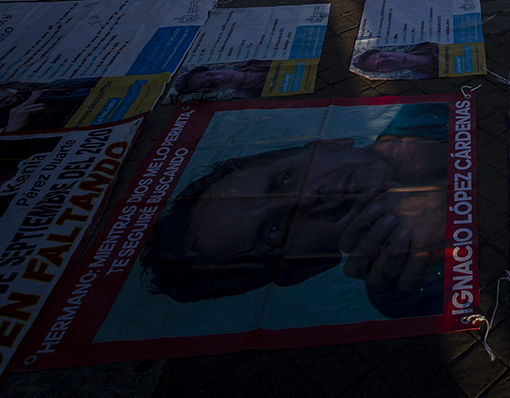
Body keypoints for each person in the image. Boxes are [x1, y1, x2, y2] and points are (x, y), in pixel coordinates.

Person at [141, 103, 450, 318]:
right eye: (275, 229)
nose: (305, 199)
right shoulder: (403, 289)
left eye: (285, 179)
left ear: (327, 145)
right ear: (305, 268)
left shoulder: (436, 99)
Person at [171, 60, 274, 103]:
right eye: (210, 83)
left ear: (216, 69)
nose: (220, 77)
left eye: (211, 74)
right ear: (210, 90)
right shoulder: (251, 96)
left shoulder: (254, 62)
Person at [353, 43, 442, 79]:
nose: (392, 59)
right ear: (386, 71)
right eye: (382, 64)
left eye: (384, 55)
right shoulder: (427, 77)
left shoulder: (424, 43)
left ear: (389, 51)